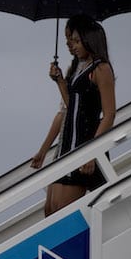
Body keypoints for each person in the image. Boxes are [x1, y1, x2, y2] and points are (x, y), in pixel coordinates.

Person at [43, 19, 116, 216]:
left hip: (84, 146)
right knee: (50, 210)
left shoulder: (101, 69)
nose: (72, 45)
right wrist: (59, 81)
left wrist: (92, 151)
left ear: (89, 40)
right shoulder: (78, 68)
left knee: (62, 213)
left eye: (76, 41)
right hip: (67, 145)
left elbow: (109, 114)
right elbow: (72, 105)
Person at [31, 14, 96, 216]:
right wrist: (43, 150)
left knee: (61, 209)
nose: (68, 44)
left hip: (78, 141)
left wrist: (60, 82)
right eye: (67, 38)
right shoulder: (74, 70)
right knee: (50, 208)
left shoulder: (95, 69)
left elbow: (80, 110)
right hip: (63, 142)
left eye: (73, 39)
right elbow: (64, 112)